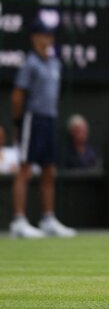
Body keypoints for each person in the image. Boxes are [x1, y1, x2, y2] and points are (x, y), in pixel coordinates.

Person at [10, 19, 76, 238]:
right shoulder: (30, 64)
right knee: (25, 168)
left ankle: (48, 218)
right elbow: (18, 97)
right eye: (43, 35)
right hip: (32, 119)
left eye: (50, 36)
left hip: (50, 119)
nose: (47, 40)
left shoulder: (55, 64)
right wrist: (19, 122)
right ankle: (19, 220)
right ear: (34, 38)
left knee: (49, 169)